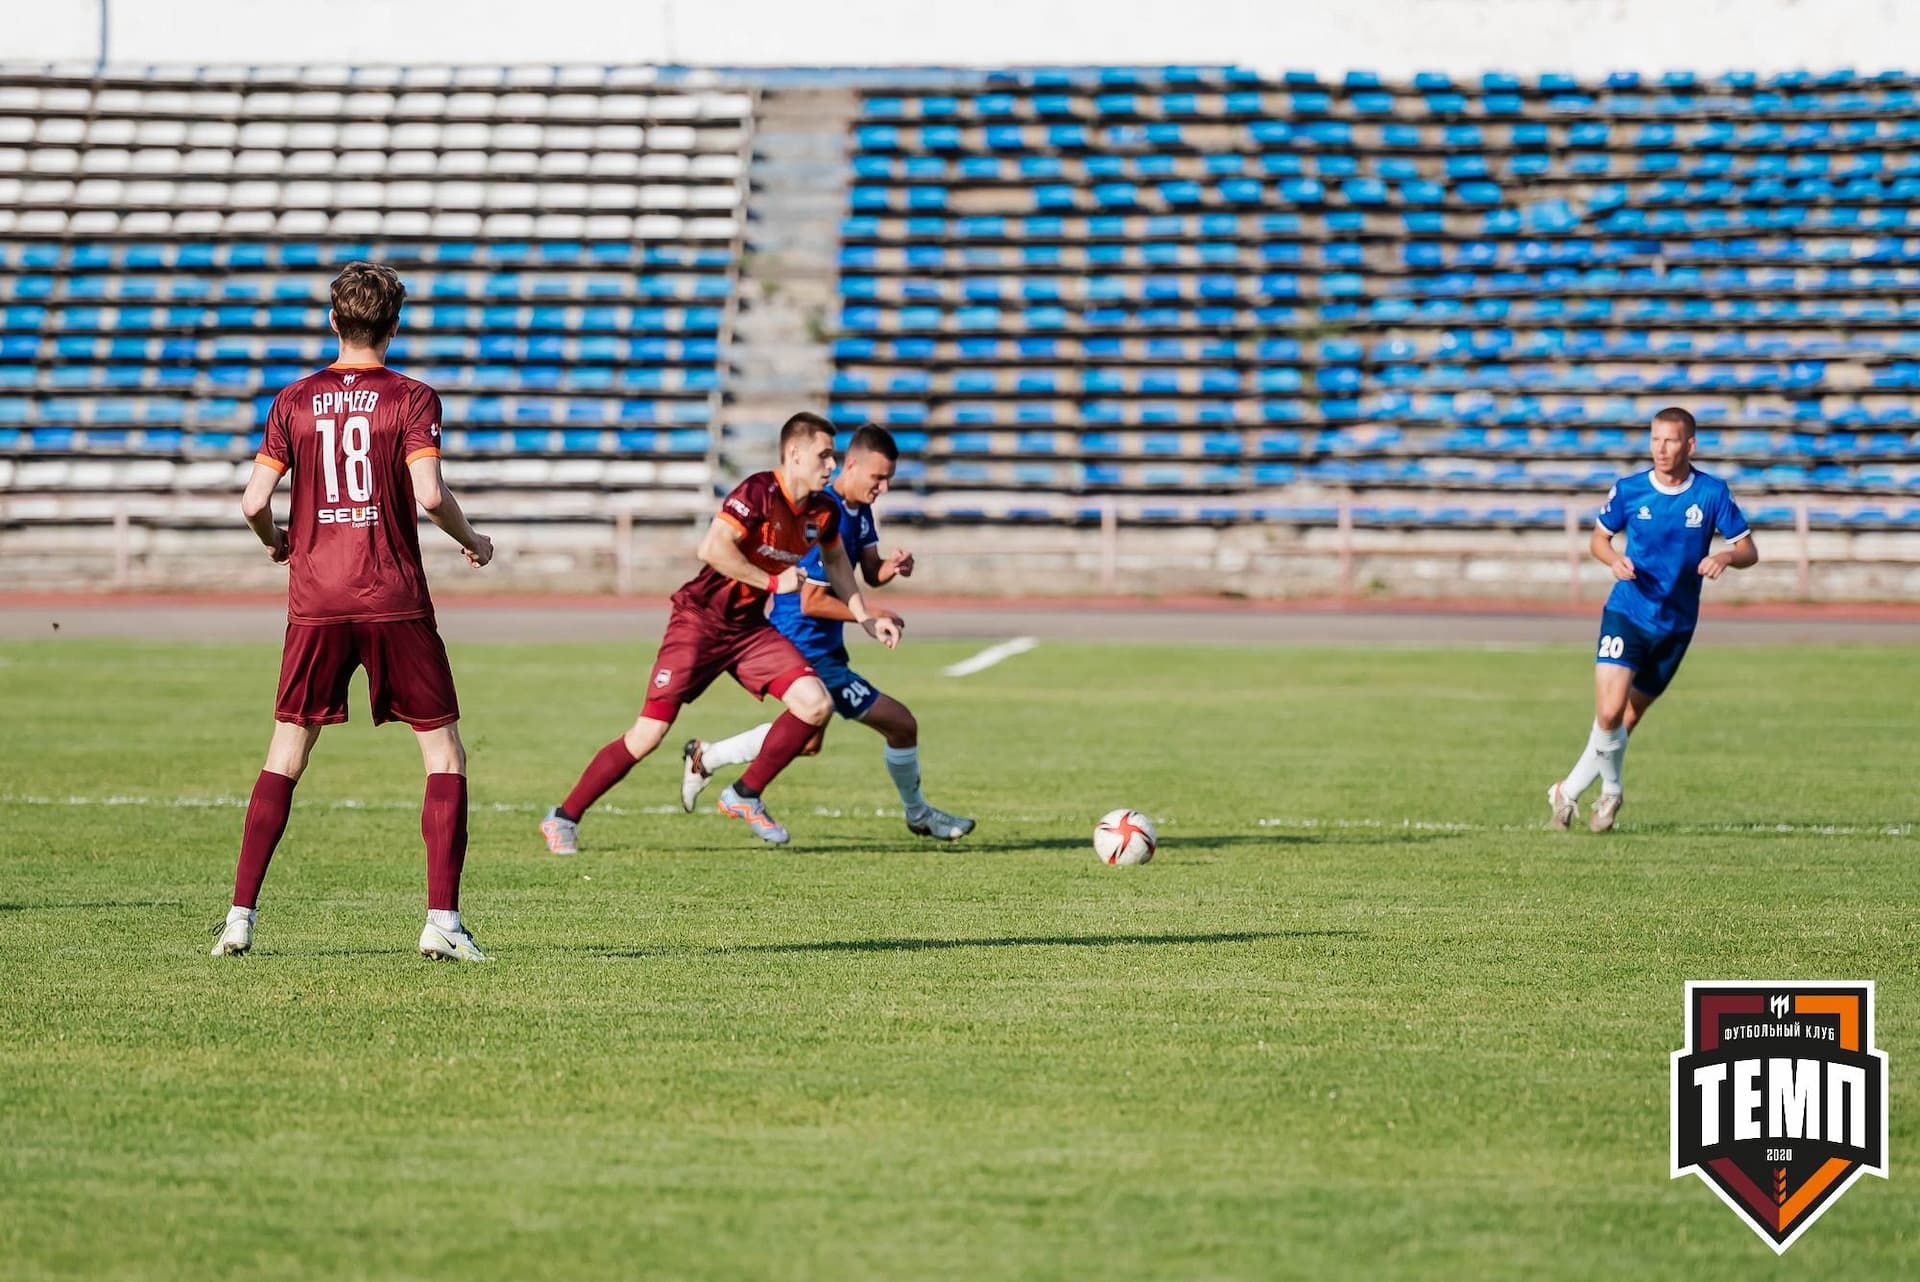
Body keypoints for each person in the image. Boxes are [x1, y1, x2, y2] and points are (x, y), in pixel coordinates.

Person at [211, 261, 495, 961]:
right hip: (391, 595)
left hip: (315, 600)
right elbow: (429, 495)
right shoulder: (413, 397)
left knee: (286, 751)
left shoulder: (293, 400)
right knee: (444, 753)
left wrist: (277, 540)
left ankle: (240, 918)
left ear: (334, 323)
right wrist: (474, 540)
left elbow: (251, 502)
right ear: (393, 328)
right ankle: (442, 922)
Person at [540, 413, 901, 851]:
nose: (831, 463)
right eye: (824, 454)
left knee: (815, 704)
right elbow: (711, 548)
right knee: (648, 735)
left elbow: (839, 564)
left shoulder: (822, 510)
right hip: (698, 622)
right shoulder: (758, 491)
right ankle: (563, 818)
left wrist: (865, 616)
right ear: (794, 453)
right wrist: (772, 582)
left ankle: (744, 793)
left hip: (750, 631)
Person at [680, 424, 973, 840]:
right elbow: (811, 601)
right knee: (901, 724)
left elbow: (868, 572)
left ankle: (706, 758)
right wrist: (870, 617)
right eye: (878, 477)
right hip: (802, 644)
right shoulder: (822, 513)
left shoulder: (860, 512)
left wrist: (891, 567)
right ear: (850, 465)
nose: (884, 487)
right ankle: (917, 813)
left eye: (889, 479)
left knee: (806, 741)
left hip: (825, 647)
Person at [1547, 406, 1757, 833]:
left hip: (1677, 624)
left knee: (1627, 720)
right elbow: (1598, 539)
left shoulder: (1712, 493)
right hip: (1627, 611)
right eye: (1655, 439)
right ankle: (1602, 792)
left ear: (1690, 445)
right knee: (1608, 713)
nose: (1661, 449)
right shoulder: (1629, 490)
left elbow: (1749, 550)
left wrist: (1725, 556)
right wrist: (1613, 560)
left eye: (1671, 440)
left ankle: (1571, 791)